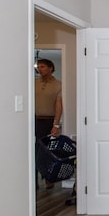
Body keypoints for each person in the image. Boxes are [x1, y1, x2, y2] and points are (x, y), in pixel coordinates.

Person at [35, 58, 63, 189]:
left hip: (47, 121)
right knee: (32, 150)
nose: (40, 69)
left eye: (43, 67)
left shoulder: (58, 85)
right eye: (38, 67)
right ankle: (33, 180)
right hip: (33, 120)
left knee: (46, 150)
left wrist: (56, 125)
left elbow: (59, 105)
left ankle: (48, 177)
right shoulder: (33, 83)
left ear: (50, 68)